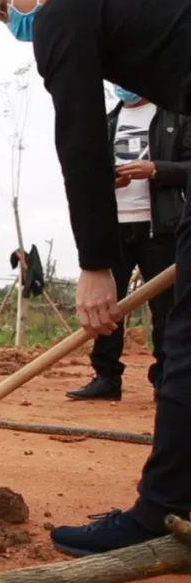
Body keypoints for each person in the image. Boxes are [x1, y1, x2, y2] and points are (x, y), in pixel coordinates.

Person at [0, 0, 191, 556]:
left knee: (185, 342)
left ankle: (163, 513)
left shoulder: (67, 7)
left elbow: (78, 140)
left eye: (4, 10)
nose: (15, 26)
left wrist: (95, 264)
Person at [67, 88, 190, 402]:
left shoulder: (176, 117)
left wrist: (158, 170)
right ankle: (106, 377)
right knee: (106, 308)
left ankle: (166, 379)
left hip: (160, 227)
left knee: (166, 309)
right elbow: (87, 173)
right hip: (112, 229)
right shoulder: (106, 122)